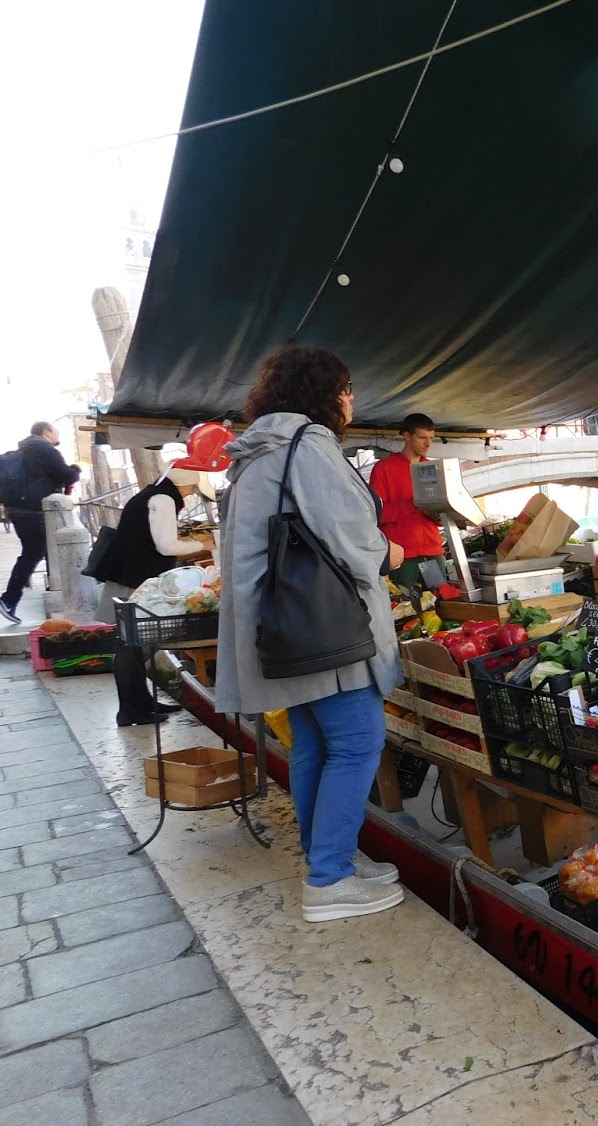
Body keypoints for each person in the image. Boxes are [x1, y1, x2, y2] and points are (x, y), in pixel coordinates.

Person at [214, 346, 407, 924]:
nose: (350, 400)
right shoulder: (309, 446)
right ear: (326, 393)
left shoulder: (260, 449)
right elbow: (351, 536)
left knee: (314, 743)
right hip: (324, 628)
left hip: (284, 627)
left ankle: (333, 854)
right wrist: (389, 552)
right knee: (357, 742)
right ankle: (329, 878)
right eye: (346, 389)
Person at [95, 423, 229, 726]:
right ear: (184, 485)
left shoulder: (154, 494)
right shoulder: (164, 499)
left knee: (134, 646)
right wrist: (203, 543)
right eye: (193, 489)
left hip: (131, 576)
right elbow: (167, 545)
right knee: (129, 646)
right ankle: (132, 709)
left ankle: (141, 703)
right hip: (132, 581)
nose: (192, 494)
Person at [1, 421, 81, 624]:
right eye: (55, 431)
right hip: (33, 510)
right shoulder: (44, 449)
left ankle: (57, 591)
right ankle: (8, 598)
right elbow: (65, 474)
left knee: (43, 550)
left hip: (17, 508)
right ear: (46, 432)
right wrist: (75, 470)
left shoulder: (27, 449)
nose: (57, 435)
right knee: (33, 553)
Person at [369, 412, 448, 589]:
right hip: (401, 555)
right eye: (422, 437)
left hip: (433, 550)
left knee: (442, 604)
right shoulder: (384, 468)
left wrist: (445, 512)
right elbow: (374, 514)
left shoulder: (434, 468)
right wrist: (412, 504)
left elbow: (439, 514)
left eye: (431, 438)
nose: (428, 443)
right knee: (406, 608)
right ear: (406, 436)